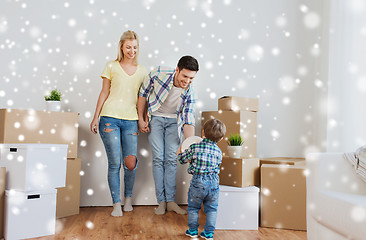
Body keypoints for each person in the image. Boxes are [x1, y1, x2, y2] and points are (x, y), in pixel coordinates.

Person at [90, 30, 147, 217]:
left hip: (131, 121)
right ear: (121, 47)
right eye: (129, 47)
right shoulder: (111, 66)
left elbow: (143, 98)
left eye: (135, 47)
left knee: (130, 163)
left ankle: (128, 199)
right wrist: (95, 116)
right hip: (109, 119)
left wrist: (142, 119)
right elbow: (104, 92)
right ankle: (116, 203)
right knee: (114, 163)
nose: (132, 51)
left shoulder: (143, 71)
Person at [137, 56, 199, 215]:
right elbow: (142, 93)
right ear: (177, 70)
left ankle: (171, 201)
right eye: (185, 76)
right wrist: (141, 118)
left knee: (172, 160)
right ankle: (161, 202)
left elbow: (188, 120)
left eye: (191, 78)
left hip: (174, 123)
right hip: (155, 118)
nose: (187, 81)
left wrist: (190, 146)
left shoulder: (190, 92)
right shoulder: (159, 73)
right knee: (158, 158)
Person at [177, 119, 226, 240]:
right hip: (214, 182)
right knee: (212, 209)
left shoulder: (194, 147)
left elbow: (182, 160)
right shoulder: (219, 152)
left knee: (193, 208)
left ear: (203, 132)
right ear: (220, 139)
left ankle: (193, 231)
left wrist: (179, 151)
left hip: (198, 182)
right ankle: (209, 233)